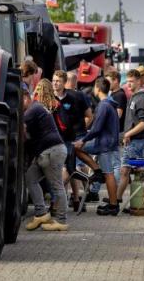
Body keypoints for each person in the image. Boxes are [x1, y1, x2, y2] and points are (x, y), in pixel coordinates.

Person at [22, 83, 69, 232]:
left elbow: (21, 130)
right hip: (46, 152)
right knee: (30, 178)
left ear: (25, 97)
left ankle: (61, 220)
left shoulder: (32, 110)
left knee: (57, 186)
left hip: (51, 151)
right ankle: (41, 214)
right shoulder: (36, 107)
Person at [73, 77, 121, 215]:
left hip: (105, 144)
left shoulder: (104, 105)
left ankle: (113, 206)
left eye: (94, 87)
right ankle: (97, 171)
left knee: (109, 174)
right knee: (108, 173)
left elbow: (97, 128)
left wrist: (83, 140)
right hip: (107, 142)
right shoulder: (110, 104)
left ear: (98, 88)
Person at [52, 70, 92, 211]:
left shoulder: (77, 96)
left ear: (65, 82)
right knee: (69, 168)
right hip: (59, 139)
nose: (55, 84)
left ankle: (74, 198)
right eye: (54, 81)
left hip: (75, 138)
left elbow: (89, 116)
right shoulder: (50, 98)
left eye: (58, 81)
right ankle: (73, 198)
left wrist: (80, 132)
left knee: (72, 168)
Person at [116, 69, 144, 207]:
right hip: (133, 140)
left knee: (131, 170)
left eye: (131, 81)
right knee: (127, 171)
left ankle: (125, 202)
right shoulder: (133, 96)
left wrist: (128, 134)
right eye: (127, 81)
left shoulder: (141, 98)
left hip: (137, 140)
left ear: (139, 81)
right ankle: (121, 201)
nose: (128, 84)